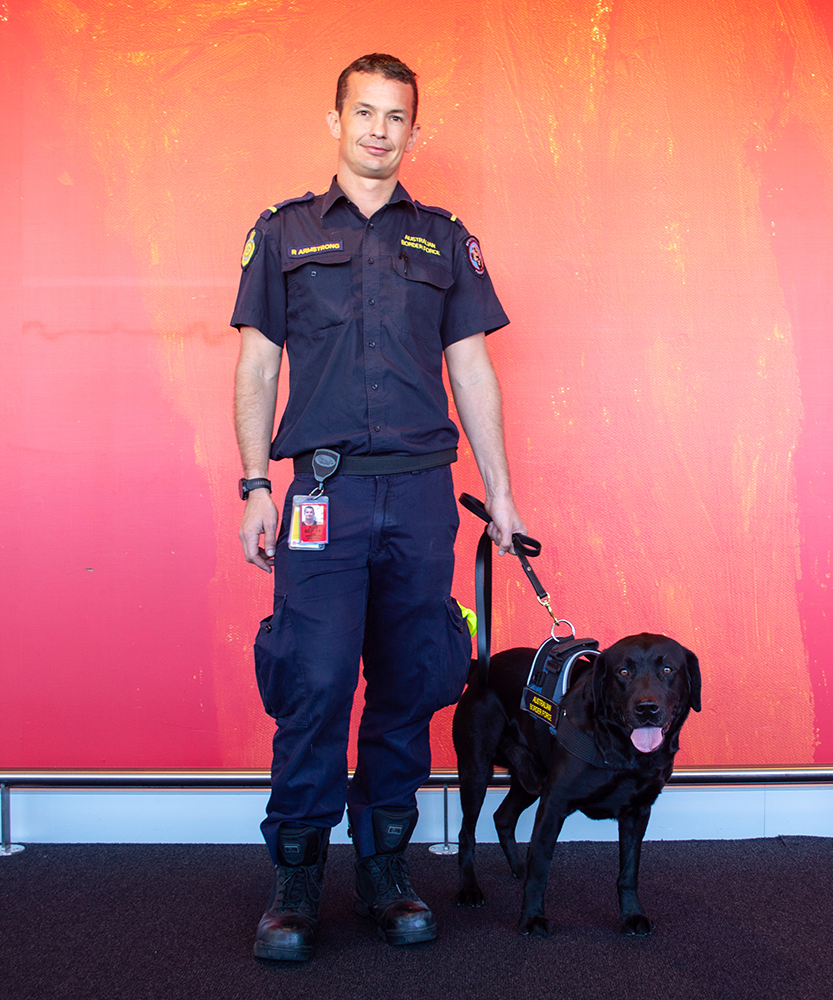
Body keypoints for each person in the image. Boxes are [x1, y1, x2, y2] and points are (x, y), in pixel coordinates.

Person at [229, 53, 525, 960]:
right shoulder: (282, 235)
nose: (379, 130)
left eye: (396, 117)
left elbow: (471, 367)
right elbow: (257, 365)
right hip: (322, 493)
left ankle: (389, 871)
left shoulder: (443, 238)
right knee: (313, 683)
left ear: (411, 131)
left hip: (422, 495)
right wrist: (253, 485)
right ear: (336, 122)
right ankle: (297, 884)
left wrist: (503, 494)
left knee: (408, 683)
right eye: (364, 113)